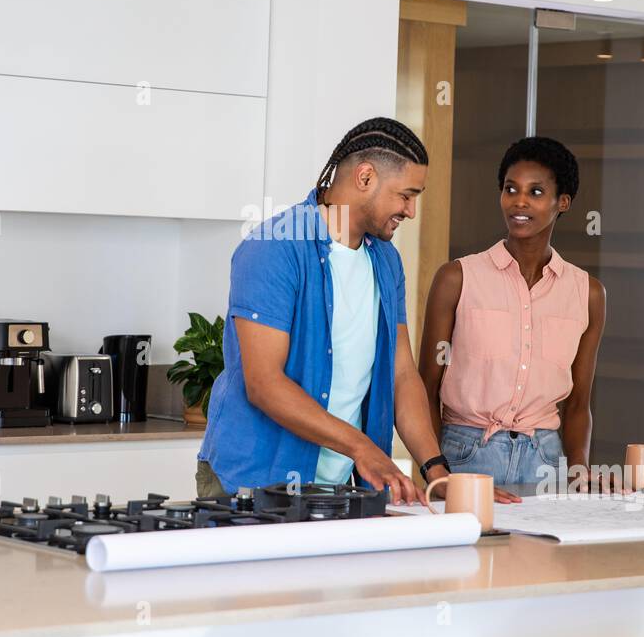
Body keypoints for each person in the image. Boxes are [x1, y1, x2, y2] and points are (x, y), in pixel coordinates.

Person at [196, 117, 460, 504]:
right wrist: (362, 447)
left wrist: (437, 472)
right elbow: (264, 384)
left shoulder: (386, 261)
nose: (412, 210)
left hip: (338, 488)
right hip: (253, 483)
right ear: (366, 177)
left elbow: (402, 374)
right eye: (406, 195)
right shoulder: (275, 248)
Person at [419, 136, 606, 490]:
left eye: (536, 192)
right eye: (510, 188)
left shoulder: (588, 293)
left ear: (562, 202)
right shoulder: (456, 278)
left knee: (541, 548)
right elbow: (425, 386)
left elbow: (579, 402)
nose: (519, 201)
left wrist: (578, 467)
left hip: (547, 461)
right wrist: (436, 469)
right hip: (465, 455)